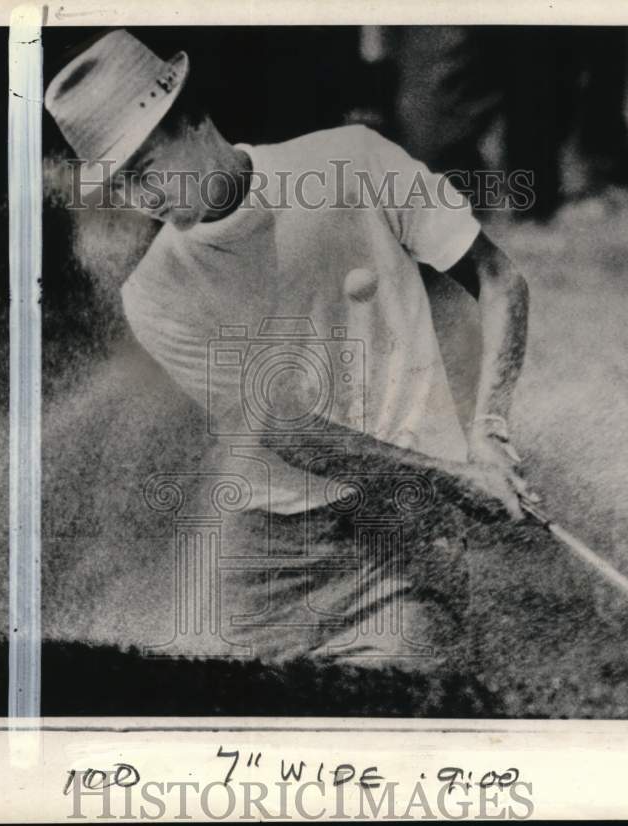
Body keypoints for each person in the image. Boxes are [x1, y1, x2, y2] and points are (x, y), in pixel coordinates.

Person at [45, 29, 537, 669]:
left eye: (144, 169)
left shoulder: (351, 162)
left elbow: (499, 281)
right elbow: (286, 430)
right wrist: (455, 476)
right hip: (269, 563)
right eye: (121, 186)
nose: (144, 199)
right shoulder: (154, 293)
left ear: (192, 119)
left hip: (404, 530)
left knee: (401, 715)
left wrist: (490, 430)